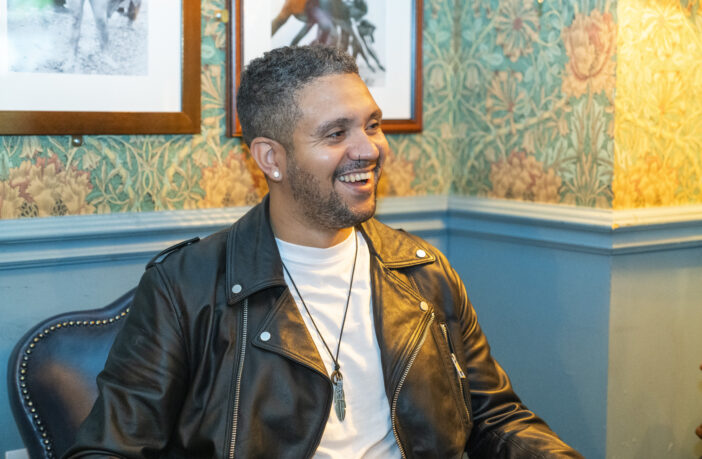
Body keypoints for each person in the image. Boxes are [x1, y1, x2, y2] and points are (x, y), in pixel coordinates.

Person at [66, 45, 582, 458]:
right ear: (271, 158)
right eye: (336, 133)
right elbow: (109, 447)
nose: (370, 149)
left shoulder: (423, 272)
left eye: (372, 125)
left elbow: (494, 418)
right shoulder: (187, 287)